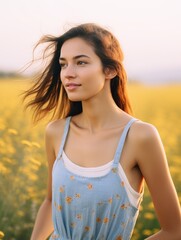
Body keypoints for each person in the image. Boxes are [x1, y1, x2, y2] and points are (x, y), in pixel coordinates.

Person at [22, 23, 181, 240]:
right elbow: (51, 202)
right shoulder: (56, 132)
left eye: (81, 62)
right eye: (63, 64)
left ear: (110, 70)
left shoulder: (139, 137)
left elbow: (175, 230)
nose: (68, 73)